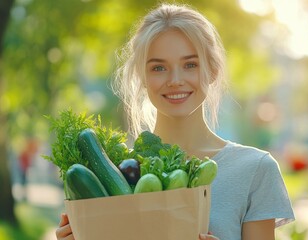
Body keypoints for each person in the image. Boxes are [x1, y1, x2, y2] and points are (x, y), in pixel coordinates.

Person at [56, 3, 295, 240]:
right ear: (142, 77)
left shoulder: (254, 169)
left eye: (190, 65)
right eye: (159, 68)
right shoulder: (116, 173)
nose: (175, 80)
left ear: (211, 70)